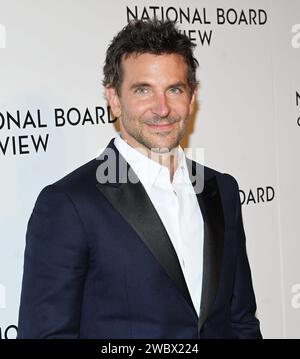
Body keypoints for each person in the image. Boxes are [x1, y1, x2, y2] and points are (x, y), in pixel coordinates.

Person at [17, 19, 262, 339]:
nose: (162, 109)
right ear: (114, 98)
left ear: (192, 97)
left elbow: (240, 320)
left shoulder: (221, 190)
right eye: (143, 90)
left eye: (174, 89)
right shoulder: (70, 204)